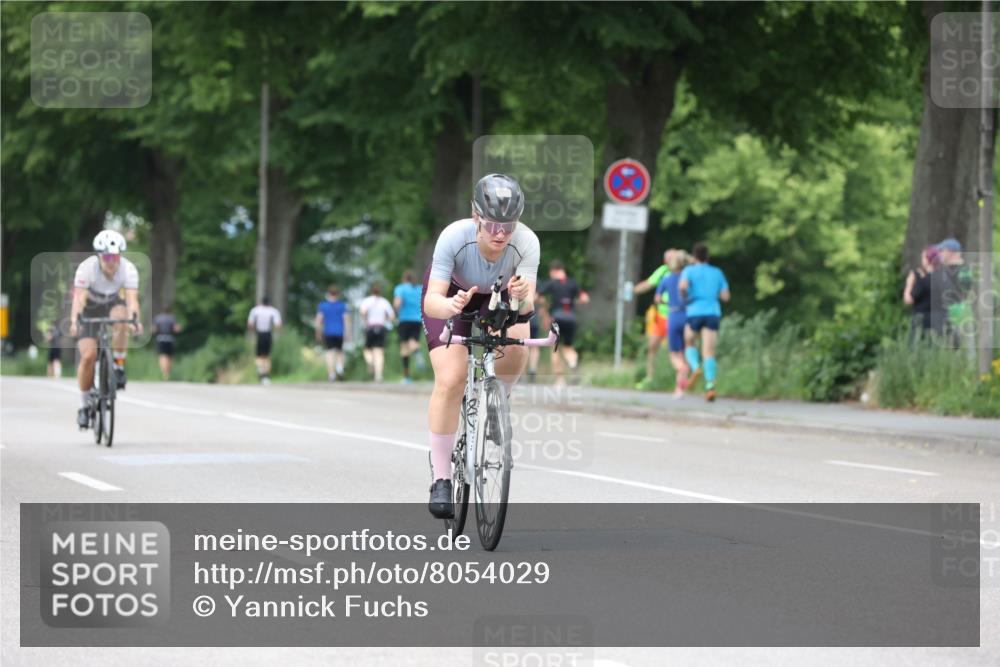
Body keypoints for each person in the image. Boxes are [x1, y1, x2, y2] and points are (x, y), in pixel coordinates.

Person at [422, 173, 538, 518]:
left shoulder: (527, 242)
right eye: (492, 226)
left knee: (518, 343)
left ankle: (497, 404)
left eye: (509, 226)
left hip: (499, 297)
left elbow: (528, 307)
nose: (501, 234)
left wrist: (521, 298)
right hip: (454, 296)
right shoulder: (453, 238)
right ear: (476, 217)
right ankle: (442, 477)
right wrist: (452, 307)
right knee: (451, 379)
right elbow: (432, 301)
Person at [68, 230, 142, 428]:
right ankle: (84, 407)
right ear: (99, 256)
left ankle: (118, 365)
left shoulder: (128, 269)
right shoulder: (87, 268)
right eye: (107, 256)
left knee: (121, 317)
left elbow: (132, 300)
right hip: (90, 307)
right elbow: (79, 298)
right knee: (88, 356)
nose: (112, 261)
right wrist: (75, 320)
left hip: (112, 304)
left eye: (116, 256)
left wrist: (135, 319)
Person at [679, 243, 730, 402]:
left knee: (688, 341)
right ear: (708, 257)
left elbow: (682, 287)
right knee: (709, 351)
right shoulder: (717, 272)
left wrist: (686, 296)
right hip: (712, 312)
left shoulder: (689, 270)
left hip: (694, 311)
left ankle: (695, 368)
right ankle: (710, 386)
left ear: (694, 257)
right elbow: (725, 297)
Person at [537, 260, 589, 386]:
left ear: (553, 271)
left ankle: (560, 380)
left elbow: (537, 296)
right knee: (568, 347)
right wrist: (572, 303)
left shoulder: (552, 283)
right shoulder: (573, 283)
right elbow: (585, 299)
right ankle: (573, 364)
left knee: (555, 348)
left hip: (557, 318)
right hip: (570, 318)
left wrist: (544, 306)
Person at [632, 249, 675, 389]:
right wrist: (633, 290)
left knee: (674, 349)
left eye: (672, 258)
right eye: (668, 258)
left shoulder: (684, 272)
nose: (669, 261)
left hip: (676, 315)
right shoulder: (663, 271)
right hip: (661, 316)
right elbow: (649, 283)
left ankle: (675, 379)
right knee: (653, 347)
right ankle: (651, 378)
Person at [656, 251, 692, 398]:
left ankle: (681, 370)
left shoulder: (667, 279)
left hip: (674, 315)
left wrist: (667, 302)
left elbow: (658, 299)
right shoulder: (688, 279)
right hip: (688, 316)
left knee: (674, 354)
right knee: (684, 352)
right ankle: (679, 390)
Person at [933, 237, 974, 346]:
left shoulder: (964, 269)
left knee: (965, 351)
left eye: (942, 251)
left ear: (950, 251)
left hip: (960, 315)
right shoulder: (941, 270)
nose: (939, 254)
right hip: (945, 315)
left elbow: (965, 288)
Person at [315, 284, 351, 382]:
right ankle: (339, 368)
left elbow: (319, 320)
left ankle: (331, 375)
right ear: (338, 294)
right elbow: (346, 320)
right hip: (340, 332)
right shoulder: (342, 306)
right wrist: (348, 333)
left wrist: (318, 333)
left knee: (330, 353)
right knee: (340, 352)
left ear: (328, 294)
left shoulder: (323, 306)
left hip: (328, 332)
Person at [359, 284, 395, 383]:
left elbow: (362, 312)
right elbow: (392, 316)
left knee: (367, 349)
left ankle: (370, 362)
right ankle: (378, 376)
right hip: (381, 327)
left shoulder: (367, 301)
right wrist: (385, 320)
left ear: (372, 291)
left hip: (370, 327)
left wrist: (365, 320)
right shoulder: (384, 302)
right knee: (379, 352)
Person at [393, 270, 423, 384]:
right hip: (417, 320)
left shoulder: (400, 288)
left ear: (404, 279)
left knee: (404, 348)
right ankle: (417, 352)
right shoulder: (419, 288)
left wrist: (396, 313)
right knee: (413, 341)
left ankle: (406, 376)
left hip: (405, 320)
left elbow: (397, 303)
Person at [903, 246, 939, 341]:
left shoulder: (924, 281)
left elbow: (909, 300)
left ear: (928, 260)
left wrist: (909, 284)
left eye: (923, 257)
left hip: (921, 318)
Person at [247, 296, 282, 384]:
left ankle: (261, 373)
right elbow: (278, 325)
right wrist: (275, 331)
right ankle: (266, 375)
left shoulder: (255, 310)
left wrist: (252, 332)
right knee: (266, 356)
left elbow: (250, 324)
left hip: (259, 333)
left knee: (259, 355)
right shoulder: (273, 311)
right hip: (268, 334)